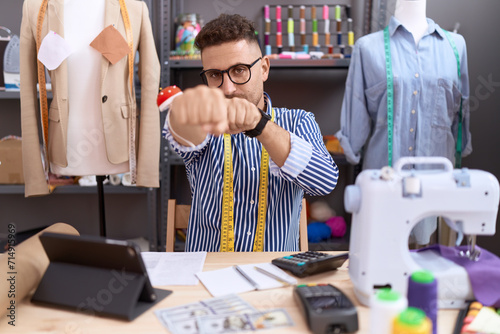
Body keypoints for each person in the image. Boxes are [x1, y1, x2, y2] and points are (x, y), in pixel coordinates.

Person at [163, 14, 339, 252]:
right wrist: (182, 111)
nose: (228, 88)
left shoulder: (299, 121)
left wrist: (260, 124)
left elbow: (324, 182)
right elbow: (182, 132)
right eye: (215, 75)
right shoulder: (206, 121)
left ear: (264, 68)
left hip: (275, 274)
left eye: (239, 70)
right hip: (206, 276)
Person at [335, 0, 471, 244]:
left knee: (434, 267)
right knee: (383, 269)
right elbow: (356, 112)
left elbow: (461, 115)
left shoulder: (456, 46)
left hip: (438, 183)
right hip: (384, 180)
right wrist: (350, 147)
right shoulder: (367, 48)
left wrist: (462, 146)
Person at [20, 0, 160, 197]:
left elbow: (150, 83)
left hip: (119, 144)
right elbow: (27, 90)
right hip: (66, 146)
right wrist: (35, 176)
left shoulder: (134, 8)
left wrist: (147, 166)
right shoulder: (35, 8)